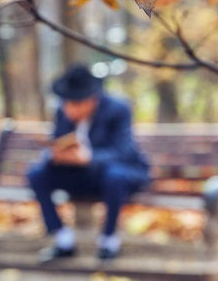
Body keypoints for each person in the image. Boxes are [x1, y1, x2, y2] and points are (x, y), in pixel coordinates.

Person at [27, 64, 150, 261]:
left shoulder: (117, 109)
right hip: (80, 175)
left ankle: (108, 241)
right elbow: (57, 142)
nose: (69, 109)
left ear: (92, 100)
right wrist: (54, 156)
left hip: (118, 174)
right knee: (37, 173)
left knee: (114, 175)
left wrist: (89, 157)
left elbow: (123, 152)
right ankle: (63, 240)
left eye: (74, 104)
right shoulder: (63, 112)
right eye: (66, 103)